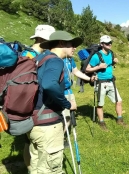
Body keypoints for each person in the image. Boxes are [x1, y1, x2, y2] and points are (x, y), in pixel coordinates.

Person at [27, 30, 81, 173]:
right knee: (51, 168)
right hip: (47, 125)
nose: (74, 48)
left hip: (34, 120)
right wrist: (67, 104)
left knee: (37, 164)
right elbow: (49, 85)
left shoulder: (41, 58)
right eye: (71, 44)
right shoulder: (55, 60)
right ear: (61, 43)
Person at [22, 24, 56, 173]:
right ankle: (32, 169)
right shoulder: (30, 57)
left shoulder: (25, 54)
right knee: (32, 144)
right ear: (42, 39)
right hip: (31, 107)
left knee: (29, 142)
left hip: (26, 106)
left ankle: (31, 169)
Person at [86, 35, 126, 131]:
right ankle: (101, 122)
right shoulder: (96, 56)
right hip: (100, 83)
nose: (110, 44)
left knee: (119, 101)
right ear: (102, 44)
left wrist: (114, 62)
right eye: (107, 43)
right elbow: (87, 69)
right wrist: (98, 67)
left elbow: (108, 65)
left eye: (110, 42)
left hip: (111, 82)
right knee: (100, 105)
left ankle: (119, 120)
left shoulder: (111, 53)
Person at [62, 56, 95, 144]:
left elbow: (75, 71)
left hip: (68, 91)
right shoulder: (54, 57)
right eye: (72, 45)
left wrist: (89, 79)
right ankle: (57, 138)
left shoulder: (69, 59)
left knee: (68, 117)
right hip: (58, 92)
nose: (74, 48)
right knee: (59, 117)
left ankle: (61, 136)